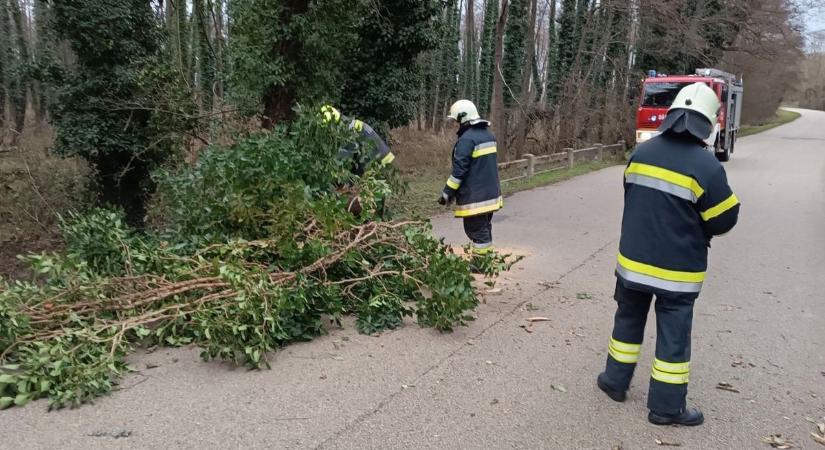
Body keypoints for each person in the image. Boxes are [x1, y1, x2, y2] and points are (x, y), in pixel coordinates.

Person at [597, 82, 740, 426]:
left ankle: (615, 382)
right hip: (677, 273)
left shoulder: (640, 154)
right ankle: (666, 408)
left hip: (632, 264)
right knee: (673, 338)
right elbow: (724, 221)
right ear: (707, 122)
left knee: (627, 321)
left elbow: (632, 197)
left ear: (672, 115)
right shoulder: (707, 167)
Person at [438, 99, 502, 257]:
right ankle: (486, 259)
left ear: (463, 118)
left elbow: (460, 171)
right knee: (484, 228)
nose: (455, 124)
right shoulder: (488, 135)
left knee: (476, 230)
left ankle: (480, 264)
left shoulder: (467, 140)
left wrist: (447, 193)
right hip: (491, 194)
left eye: (456, 121)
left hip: (476, 197)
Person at [320, 105, 395, 176]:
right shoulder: (349, 122)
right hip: (384, 155)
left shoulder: (348, 131)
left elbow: (351, 155)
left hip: (379, 160)